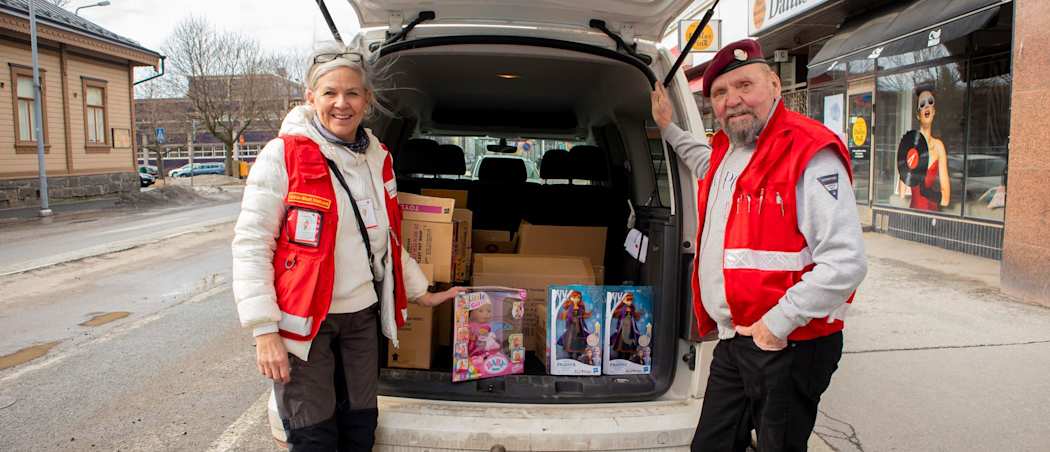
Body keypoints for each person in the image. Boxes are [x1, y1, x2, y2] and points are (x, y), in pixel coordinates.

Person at [231, 42, 462, 451]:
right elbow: (252, 245)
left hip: (361, 320)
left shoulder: (378, 157)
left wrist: (422, 291)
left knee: (360, 430)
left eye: (352, 93)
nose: (342, 103)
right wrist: (264, 330)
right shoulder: (283, 155)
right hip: (305, 324)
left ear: (367, 99)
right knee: (313, 436)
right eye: (330, 93)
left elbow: (384, 238)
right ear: (311, 98)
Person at [651, 39, 867, 451]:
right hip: (737, 340)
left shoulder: (808, 151)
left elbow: (846, 262)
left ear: (774, 85)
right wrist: (667, 127)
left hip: (788, 344)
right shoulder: (727, 152)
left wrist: (775, 326)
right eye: (720, 92)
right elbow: (701, 160)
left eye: (744, 86)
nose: (732, 100)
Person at [900, 87, 951, 210]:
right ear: (918, 115)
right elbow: (902, 194)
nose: (927, 106)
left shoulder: (938, 146)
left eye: (930, 102)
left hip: (932, 214)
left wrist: (927, 192)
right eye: (922, 104)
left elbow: (946, 199)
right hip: (914, 214)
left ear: (934, 111)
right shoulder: (909, 145)